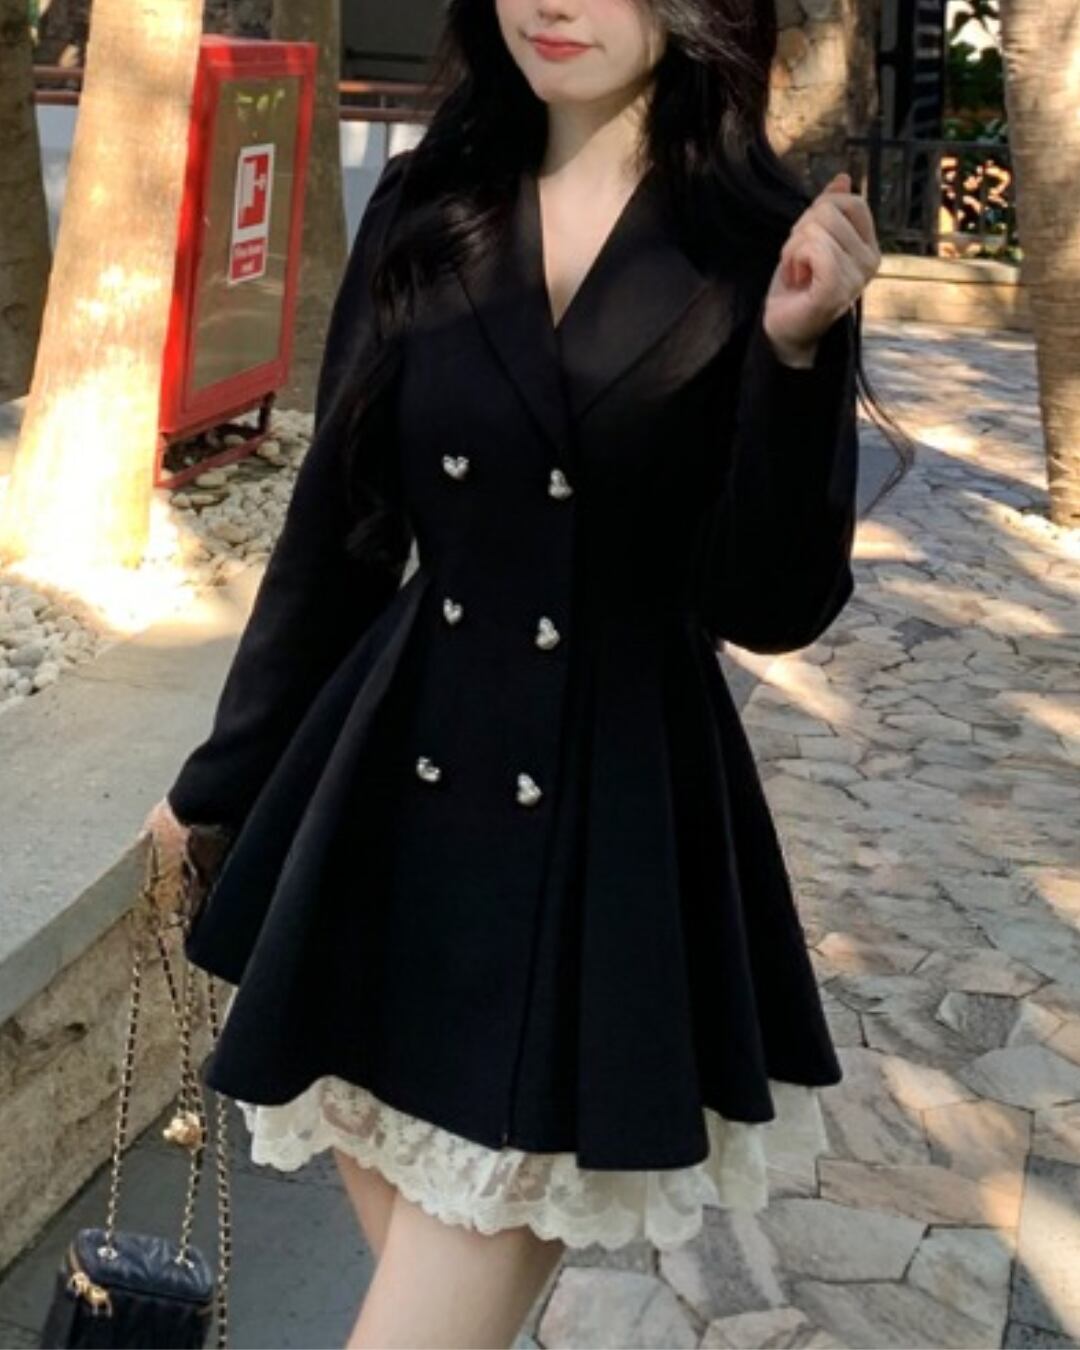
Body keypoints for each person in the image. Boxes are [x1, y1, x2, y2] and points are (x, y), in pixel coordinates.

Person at [140, 0, 884, 1345]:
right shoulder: (433, 202)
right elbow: (341, 531)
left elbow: (769, 606)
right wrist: (219, 783)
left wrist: (792, 352)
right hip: (394, 801)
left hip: (606, 825)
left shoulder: (762, 241)